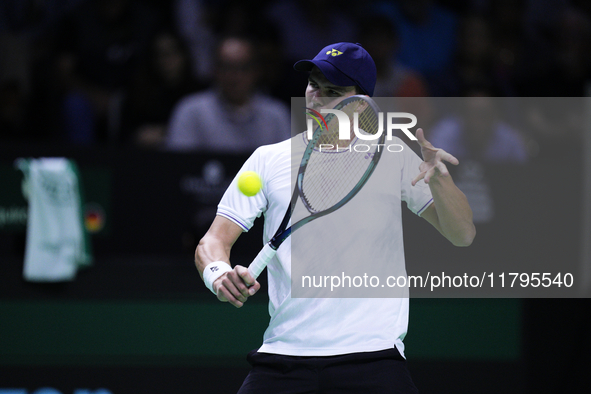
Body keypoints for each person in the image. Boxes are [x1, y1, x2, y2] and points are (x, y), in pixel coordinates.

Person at [195, 42, 475, 393]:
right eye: (314, 85)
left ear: (360, 104)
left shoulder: (393, 157)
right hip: (285, 356)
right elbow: (213, 241)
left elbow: (462, 234)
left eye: (333, 91)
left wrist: (441, 181)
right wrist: (218, 275)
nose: (316, 97)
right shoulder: (269, 159)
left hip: (373, 357)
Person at [165, 35, 291, 153]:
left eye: (243, 67)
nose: (234, 77)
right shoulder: (190, 111)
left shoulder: (276, 115)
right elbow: (178, 166)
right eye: (226, 67)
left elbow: (289, 169)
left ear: (256, 71)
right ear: (214, 70)